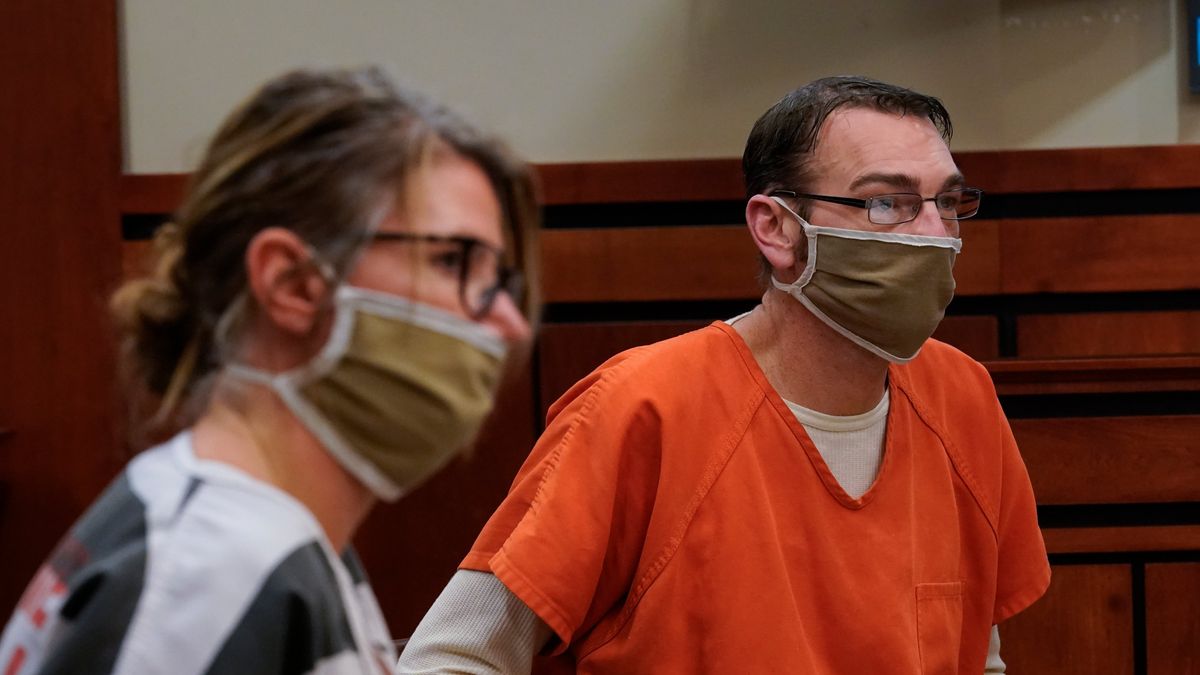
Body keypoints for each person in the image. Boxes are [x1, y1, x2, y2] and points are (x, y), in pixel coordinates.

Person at [398, 76, 1050, 674]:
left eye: (947, 201)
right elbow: (453, 656)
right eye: (887, 203)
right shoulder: (642, 405)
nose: (934, 233)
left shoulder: (963, 398)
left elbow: (977, 654)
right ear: (776, 228)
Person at [0, 66, 538, 675]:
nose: (510, 324)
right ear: (293, 285)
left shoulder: (280, 543)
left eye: (498, 280)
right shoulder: (209, 573)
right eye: (451, 261)